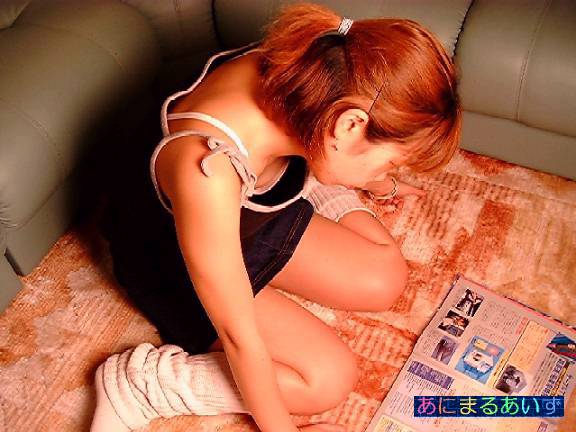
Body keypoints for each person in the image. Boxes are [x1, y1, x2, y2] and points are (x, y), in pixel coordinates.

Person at [91, 2, 461, 432]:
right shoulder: (208, 170)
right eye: (392, 163)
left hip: (251, 212)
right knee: (326, 380)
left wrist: (376, 181)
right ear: (349, 126)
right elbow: (239, 339)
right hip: (173, 260)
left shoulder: (323, 62)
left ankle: (322, 179)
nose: (390, 174)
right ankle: (143, 386)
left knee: (384, 278)